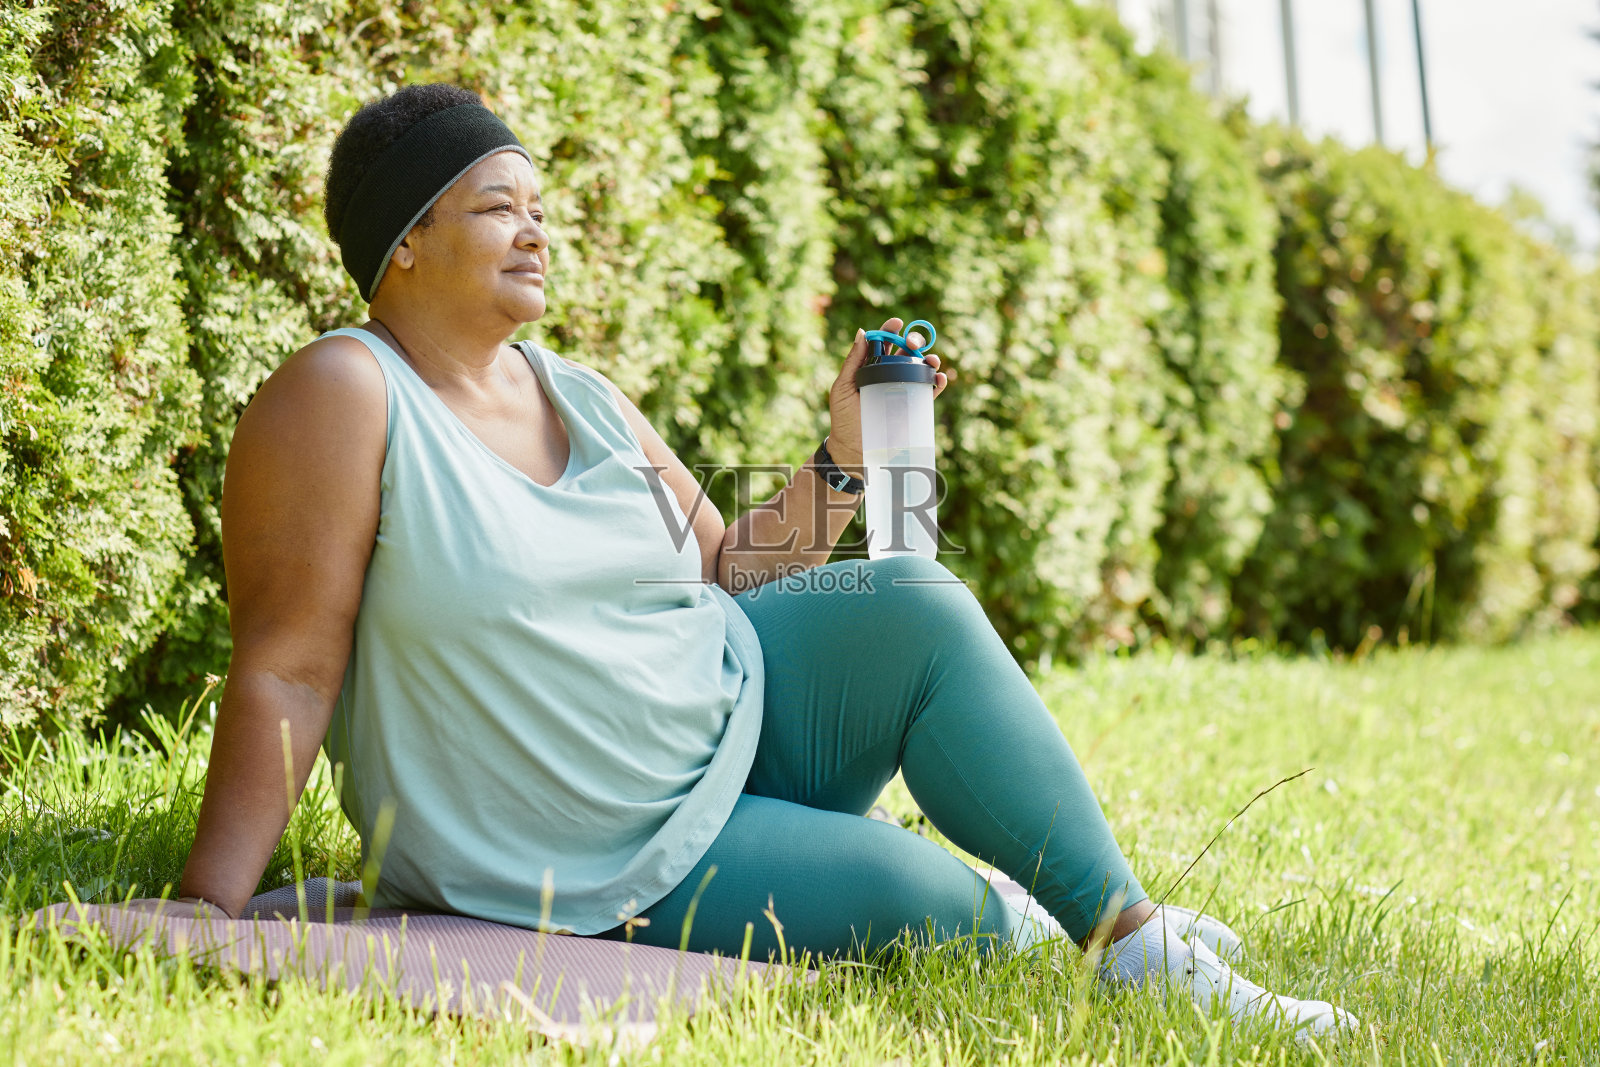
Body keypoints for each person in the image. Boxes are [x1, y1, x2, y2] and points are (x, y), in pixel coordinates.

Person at [174, 83, 1356, 1041]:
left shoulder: (578, 393)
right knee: (925, 900)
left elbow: (733, 572)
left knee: (913, 597)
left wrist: (841, 459)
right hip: (596, 848)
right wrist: (210, 907)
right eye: (496, 207)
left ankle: (1136, 944)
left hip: (728, 717)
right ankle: (1025, 905)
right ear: (405, 241)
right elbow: (286, 663)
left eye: (539, 204)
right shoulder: (341, 393)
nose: (536, 228)